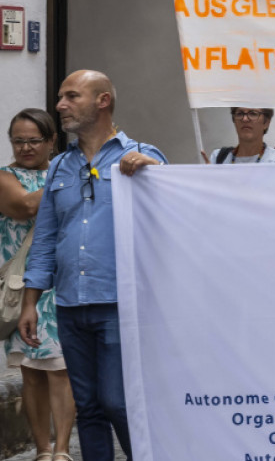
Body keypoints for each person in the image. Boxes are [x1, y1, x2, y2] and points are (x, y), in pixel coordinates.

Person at [20, 70, 167, 461]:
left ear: (102, 101)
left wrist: (153, 169)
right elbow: (46, 237)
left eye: (71, 96)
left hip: (122, 304)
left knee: (119, 402)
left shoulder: (141, 155)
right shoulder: (59, 168)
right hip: (70, 305)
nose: (60, 105)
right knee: (89, 407)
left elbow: (169, 215)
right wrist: (31, 301)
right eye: (60, 97)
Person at [1, 109, 75, 461]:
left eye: (34, 140)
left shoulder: (66, 171)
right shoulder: (5, 177)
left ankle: (61, 450)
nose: (25, 147)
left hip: (63, 282)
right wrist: (69, 177)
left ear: (51, 142)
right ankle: (42, 450)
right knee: (32, 372)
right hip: (21, 287)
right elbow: (24, 206)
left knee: (62, 369)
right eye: (18, 141)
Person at [207, 108, 275, 164]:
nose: (245, 119)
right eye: (239, 114)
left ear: (266, 123)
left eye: (253, 114)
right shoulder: (218, 158)